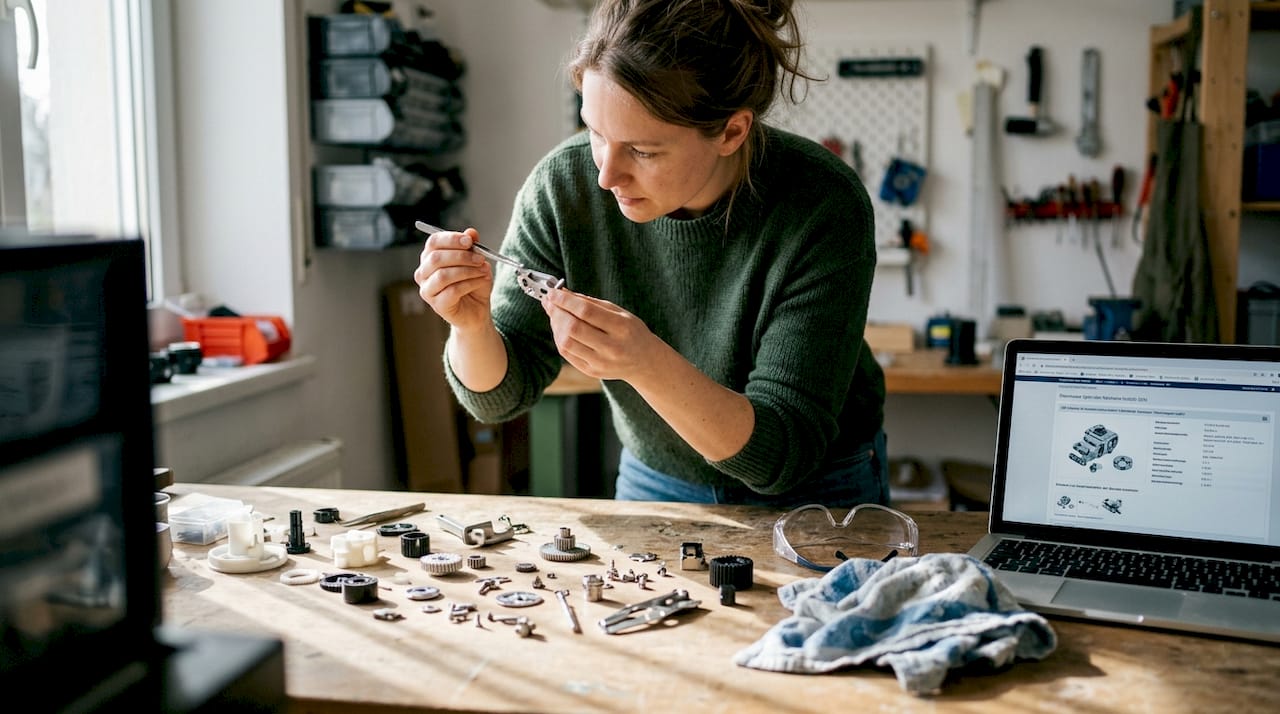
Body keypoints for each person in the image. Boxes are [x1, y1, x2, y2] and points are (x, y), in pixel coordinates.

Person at [413, 0, 886, 508]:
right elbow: (500, 395)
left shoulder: (822, 203)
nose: (605, 175)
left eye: (642, 151)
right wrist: (471, 327)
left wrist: (643, 362)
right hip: (658, 475)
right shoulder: (563, 187)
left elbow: (780, 454)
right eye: (594, 133)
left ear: (731, 131)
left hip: (816, 487)